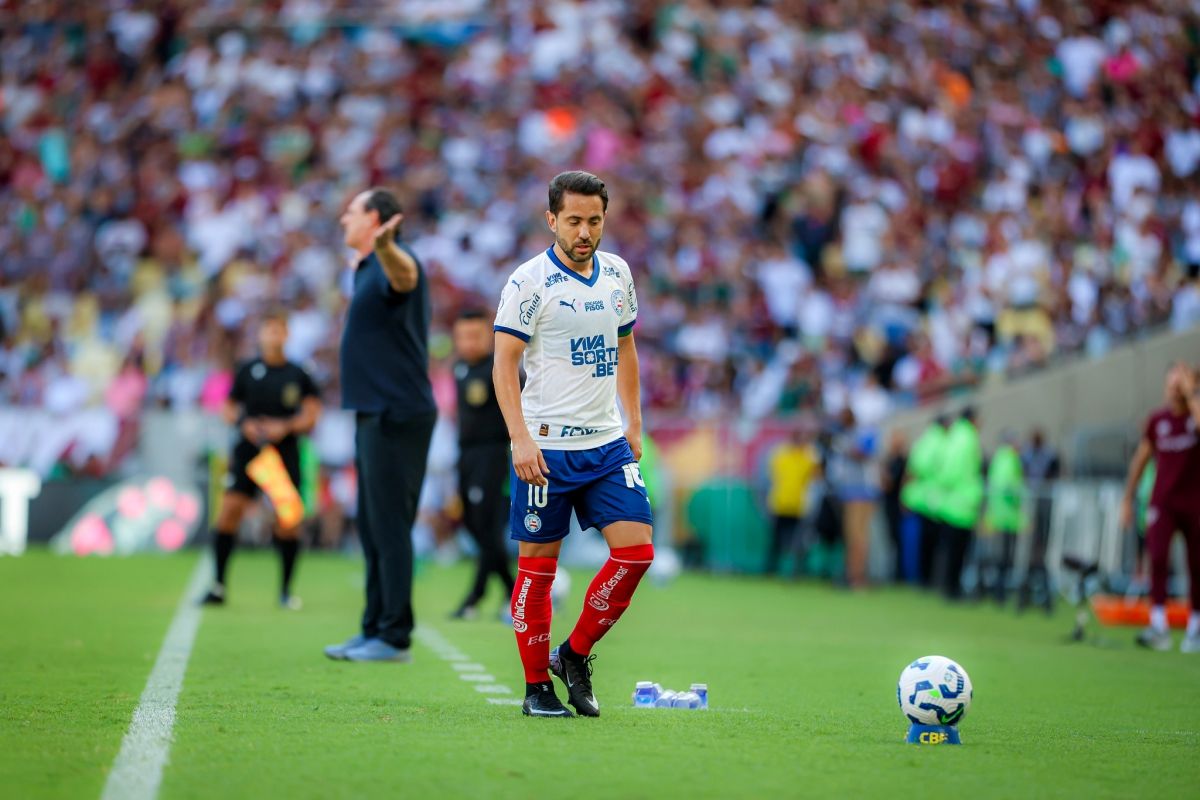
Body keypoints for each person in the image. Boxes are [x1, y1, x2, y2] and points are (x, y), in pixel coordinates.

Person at [493, 171, 654, 718]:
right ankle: (536, 687)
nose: (585, 232)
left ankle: (574, 653)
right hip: (545, 449)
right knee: (536, 572)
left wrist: (633, 421)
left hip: (607, 443)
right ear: (552, 220)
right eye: (574, 221)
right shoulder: (528, 283)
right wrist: (519, 438)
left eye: (594, 221)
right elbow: (503, 365)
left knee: (637, 553)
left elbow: (626, 347)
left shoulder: (618, 274)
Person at [323, 188, 437, 664]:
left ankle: (394, 636)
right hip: (373, 411)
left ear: (375, 220)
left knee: (390, 526)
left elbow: (406, 276)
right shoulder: (365, 268)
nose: (342, 218)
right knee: (371, 526)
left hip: (397, 412)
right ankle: (373, 626)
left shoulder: (397, 258)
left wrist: (387, 247)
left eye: (351, 212)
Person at [200, 309, 322, 609]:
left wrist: (286, 427)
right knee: (230, 510)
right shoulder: (247, 370)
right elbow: (227, 407)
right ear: (260, 335)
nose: (273, 336)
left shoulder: (299, 373)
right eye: (268, 330)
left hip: (282, 454)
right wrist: (245, 423)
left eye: (279, 330)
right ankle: (218, 585)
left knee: (288, 519)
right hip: (250, 451)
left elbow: (311, 414)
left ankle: (285, 589)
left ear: (287, 335)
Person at [1119, 364, 1200, 653]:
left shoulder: (1194, 415)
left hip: (1194, 502)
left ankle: (1195, 628)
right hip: (1163, 503)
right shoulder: (1157, 420)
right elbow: (1140, 460)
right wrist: (1127, 499)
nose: (1173, 386)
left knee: (1196, 565)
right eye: (1171, 381)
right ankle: (1158, 625)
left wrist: (1193, 394)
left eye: (1179, 380)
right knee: (1158, 557)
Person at [450, 309, 516, 619]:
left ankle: (477, 596)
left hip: (492, 454)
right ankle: (509, 589)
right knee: (474, 525)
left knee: (486, 527)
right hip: (465, 455)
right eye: (462, 336)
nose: (468, 342)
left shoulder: (499, 369)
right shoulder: (460, 368)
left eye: (475, 335)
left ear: (488, 337)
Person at [931, 408, 984, 601]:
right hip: (962, 504)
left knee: (949, 549)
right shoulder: (967, 439)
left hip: (951, 501)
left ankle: (947, 586)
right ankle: (952, 589)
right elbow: (955, 471)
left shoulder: (954, 436)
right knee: (958, 551)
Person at [763, 427, 820, 577]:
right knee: (777, 539)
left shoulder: (809, 457)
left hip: (799, 505)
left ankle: (795, 570)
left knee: (797, 540)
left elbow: (816, 476)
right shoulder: (782, 455)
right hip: (780, 502)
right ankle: (772, 569)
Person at [1017, 428, 1060, 613]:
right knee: (1032, 552)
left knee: (1040, 551)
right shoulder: (1027, 456)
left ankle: (1040, 595)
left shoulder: (1047, 456)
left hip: (1042, 510)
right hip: (1031, 509)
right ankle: (1027, 594)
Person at [903, 416, 948, 589]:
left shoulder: (922, 442)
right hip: (935, 498)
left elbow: (912, 470)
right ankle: (931, 579)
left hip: (917, 498)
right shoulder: (944, 442)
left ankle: (920, 578)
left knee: (922, 542)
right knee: (935, 542)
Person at [982, 430, 1025, 604]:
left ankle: (993, 591)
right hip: (1007, 516)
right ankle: (999, 593)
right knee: (1004, 557)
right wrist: (1018, 504)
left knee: (996, 556)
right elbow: (1010, 487)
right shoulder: (1010, 459)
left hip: (996, 514)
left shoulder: (998, 459)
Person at [880, 430, 908, 582]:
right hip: (890, 503)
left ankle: (899, 574)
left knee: (897, 540)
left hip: (897, 504)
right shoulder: (891, 460)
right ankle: (894, 573)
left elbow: (889, 484)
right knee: (892, 539)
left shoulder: (901, 461)